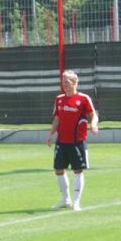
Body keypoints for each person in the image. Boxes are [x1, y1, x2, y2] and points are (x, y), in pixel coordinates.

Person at [46, 70, 98, 211]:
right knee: (58, 169)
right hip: (61, 141)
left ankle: (76, 202)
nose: (64, 85)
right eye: (63, 82)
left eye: (67, 82)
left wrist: (93, 124)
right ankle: (65, 199)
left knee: (78, 170)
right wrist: (51, 134)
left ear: (75, 83)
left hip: (77, 142)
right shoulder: (59, 99)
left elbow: (94, 115)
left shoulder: (83, 99)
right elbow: (57, 118)